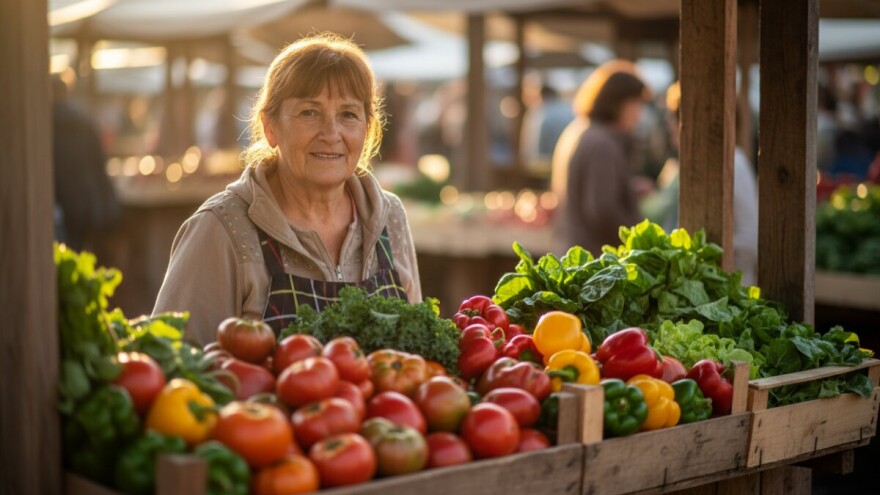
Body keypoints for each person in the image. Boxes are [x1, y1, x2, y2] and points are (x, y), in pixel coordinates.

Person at [153, 34, 422, 346]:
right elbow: (174, 362)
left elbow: (414, 351)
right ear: (271, 127)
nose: (331, 133)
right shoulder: (222, 228)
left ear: (367, 127)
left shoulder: (389, 217)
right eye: (310, 112)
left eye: (348, 114)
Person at [657, 82, 759, 285]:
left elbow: (750, 240)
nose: (669, 123)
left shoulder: (733, 164)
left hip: (727, 296)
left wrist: (698, 259)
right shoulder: (691, 166)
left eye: (674, 115)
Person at [550, 60, 652, 255]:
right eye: (636, 105)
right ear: (619, 103)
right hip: (593, 261)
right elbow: (602, 211)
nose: (638, 116)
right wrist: (642, 242)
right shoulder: (602, 144)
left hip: (573, 250)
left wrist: (628, 189)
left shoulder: (579, 130)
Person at [51, 74, 121, 251]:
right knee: (81, 250)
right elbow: (100, 162)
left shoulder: (45, 122)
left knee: (62, 251)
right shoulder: (84, 121)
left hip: (57, 198)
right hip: (84, 198)